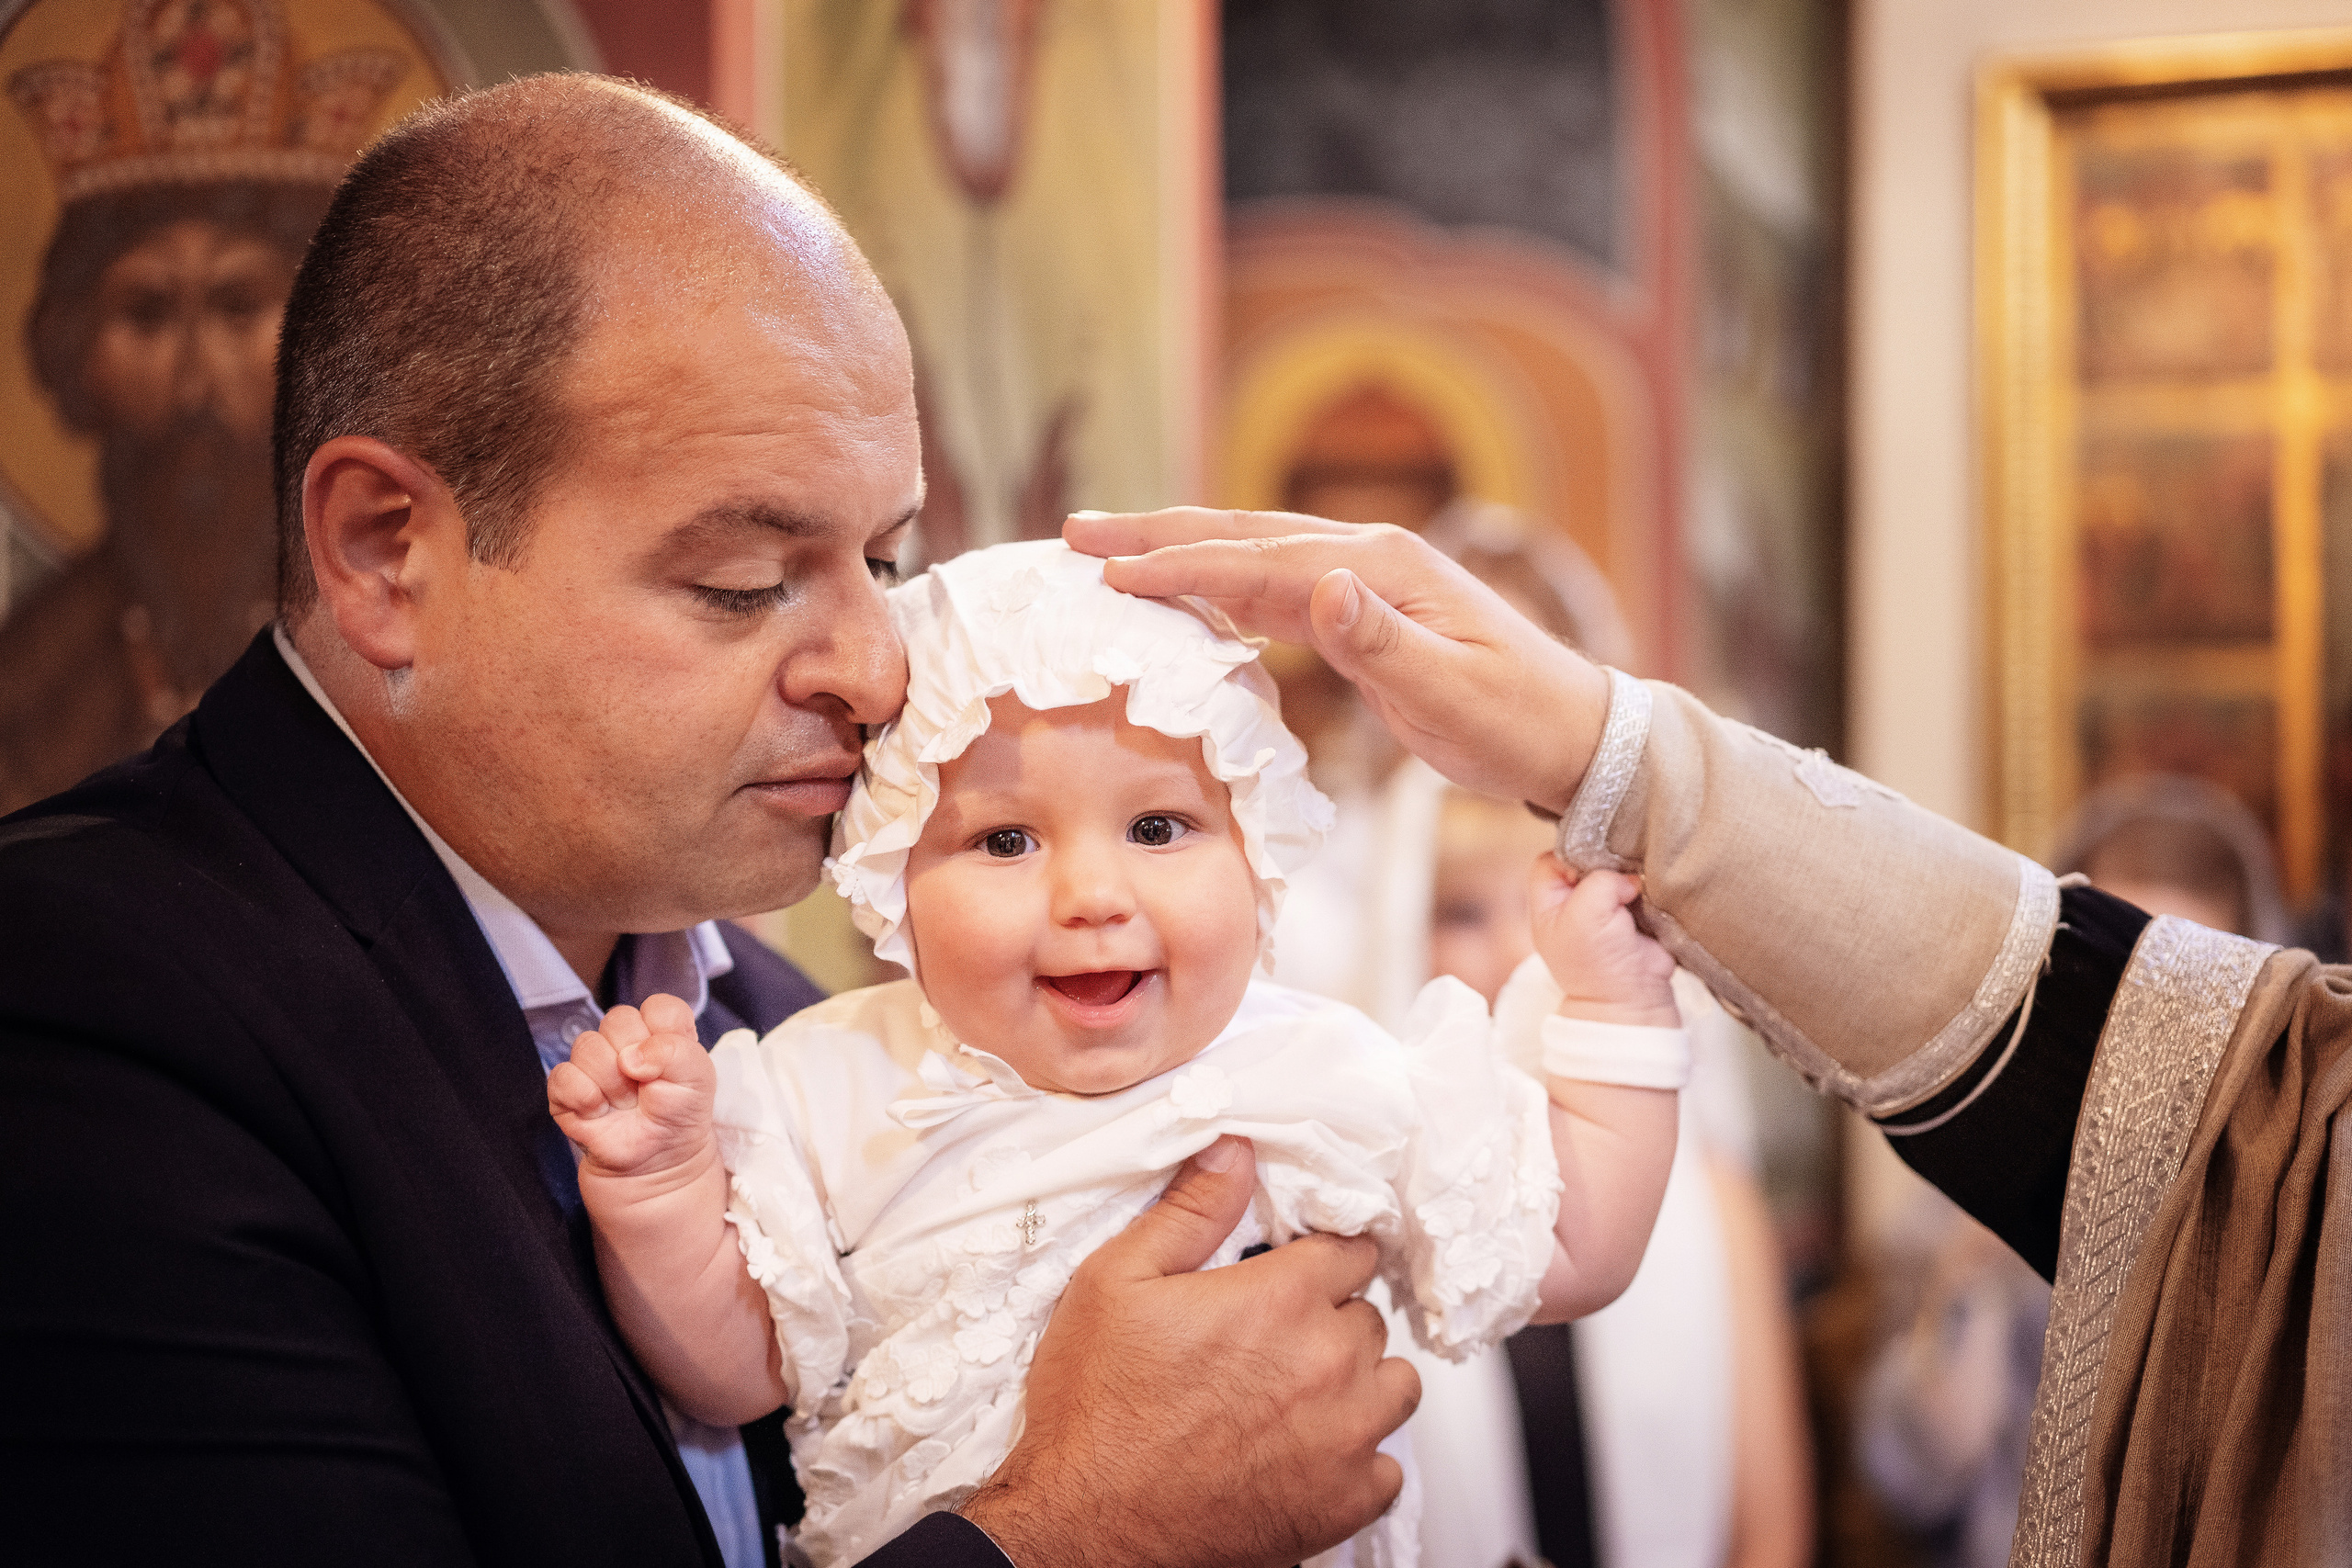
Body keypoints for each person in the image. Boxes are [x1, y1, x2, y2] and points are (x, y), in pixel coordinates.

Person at [0, 79, 1415, 1568]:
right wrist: (1072, 1529)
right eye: (746, 577)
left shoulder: (786, 1026)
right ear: (384, 552)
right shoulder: (84, 1011)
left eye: (884, 557)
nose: (876, 671)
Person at [1064, 504, 2350, 1568]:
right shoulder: (1306, 1165)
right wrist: (1599, 753)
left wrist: (1615, 768)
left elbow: (2216, 1097)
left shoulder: (1687, 1199)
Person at [550, 539, 1688, 1566]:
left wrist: (1614, 1010)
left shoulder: (1314, 1072)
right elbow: (737, 1367)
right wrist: (657, 1188)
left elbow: (1569, 1244)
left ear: (1257, 861)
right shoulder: (834, 1079)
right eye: (1004, 840)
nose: (1092, 895)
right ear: (893, 876)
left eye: (1157, 828)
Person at [0, 0, 403, 812]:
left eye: (239, 308)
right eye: (146, 314)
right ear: (78, 351)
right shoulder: (30, 679)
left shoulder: (405, 635)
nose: (193, 385)